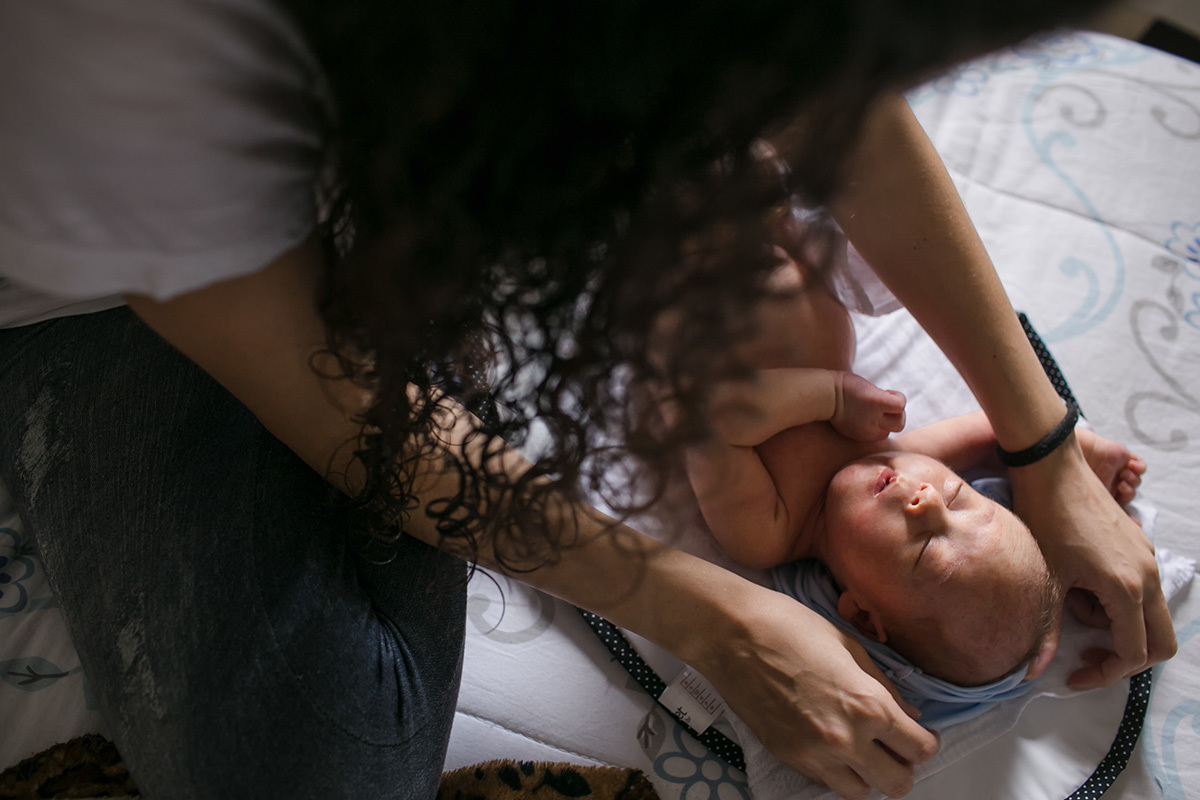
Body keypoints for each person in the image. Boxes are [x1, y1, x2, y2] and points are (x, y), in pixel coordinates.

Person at [0, 2, 1174, 800]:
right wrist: (707, 612)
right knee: (323, 754)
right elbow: (334, 398)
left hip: (390, 204)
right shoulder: (121, 58)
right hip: (121, 295)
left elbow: (828, 91)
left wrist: (1045, 447)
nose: (928, 501)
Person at [682, 259, 1146, 689]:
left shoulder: (768, 531)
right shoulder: (895, 460)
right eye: (959, 494)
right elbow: (999, 435)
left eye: (924, 550)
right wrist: (1079, 450)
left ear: (865, 615)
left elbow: (711, 423)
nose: (926, 498)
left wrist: (836, 398)